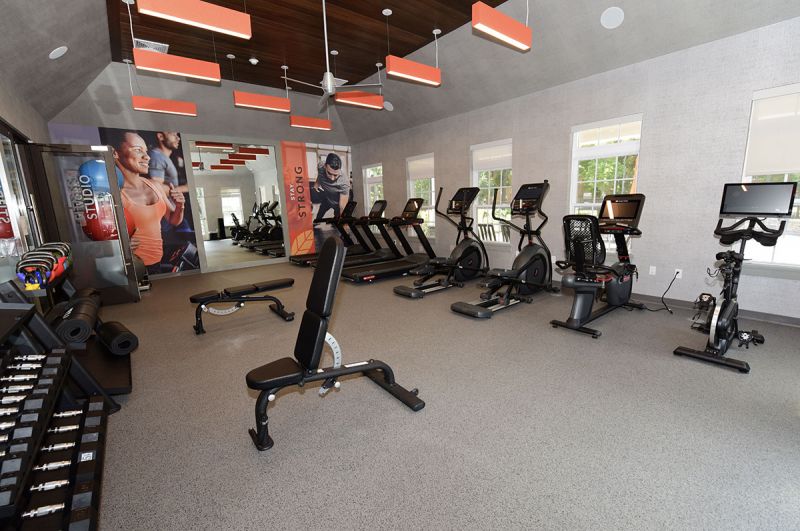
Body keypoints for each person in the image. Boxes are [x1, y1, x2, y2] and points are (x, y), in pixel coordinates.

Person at [112, 131, 185, 274]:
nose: (147, 157)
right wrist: (119, 245)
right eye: (138, 150)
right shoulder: (115, 194)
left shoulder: (155, 186)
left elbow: (173, 220)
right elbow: (103, 235)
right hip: (132, 267)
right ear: (115, 153)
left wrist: (179, 206)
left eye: (146, 151)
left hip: (157, 263)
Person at [314, 153, 350, 221]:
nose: (332, 178)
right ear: (325, 166)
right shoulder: (320, 166)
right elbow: (320, 175)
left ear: (340, 170)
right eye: (329, 173)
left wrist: (344, 222)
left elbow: (342, 206)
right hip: (326, 198)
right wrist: (316, 185)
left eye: (335, 175)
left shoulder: (344, 182)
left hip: (337, 203)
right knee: (317, 220)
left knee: (337, 222)